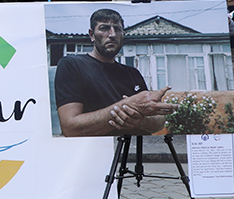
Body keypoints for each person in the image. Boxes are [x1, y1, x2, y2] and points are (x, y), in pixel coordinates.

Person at [54, 8, 175, 136]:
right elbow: (70, 127)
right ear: (92, 35)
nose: (112, 34)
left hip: (135, 152)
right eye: (104, 28)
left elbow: (158, 123)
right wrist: (126, 106)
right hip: (97, 152)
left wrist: (140, 120)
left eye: (117, 29)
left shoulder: (132, 73)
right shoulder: (72, 65)